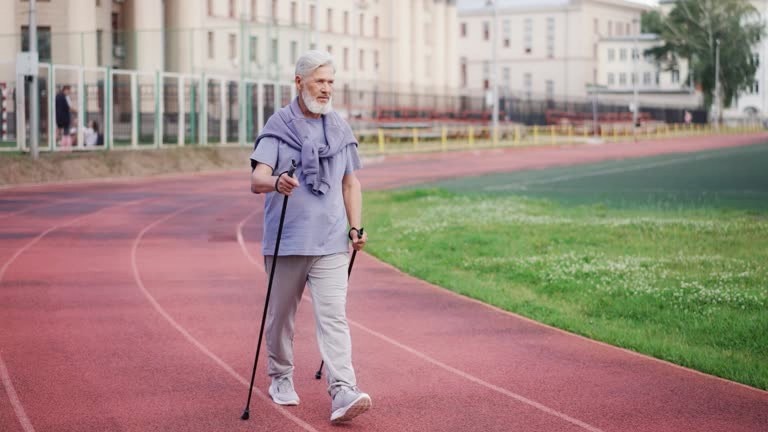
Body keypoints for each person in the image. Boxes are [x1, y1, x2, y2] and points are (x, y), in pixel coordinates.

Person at [249, 50, 371, 423]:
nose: (326, 89)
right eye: (320, 81)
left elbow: (351, 183)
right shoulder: (278, 126)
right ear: (299, 81)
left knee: (334, 316)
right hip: (287, 241)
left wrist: (355, 226)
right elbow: (257, 181)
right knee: (282, 317)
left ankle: (342, 390)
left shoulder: (339, 129)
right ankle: (281, 376)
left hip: (332, 241)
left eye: (331, 82)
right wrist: (276, 182)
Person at [55, 85, 76, 149]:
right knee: (66, 132)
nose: (69, 92)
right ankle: (65, 146)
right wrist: (76, 111)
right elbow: (69, 107)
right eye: (69, 90)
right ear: (65, 90)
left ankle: (57, 144)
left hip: (58, 116)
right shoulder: (65, 97)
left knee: (59, 130)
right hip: (64, 117)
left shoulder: (57, 96)